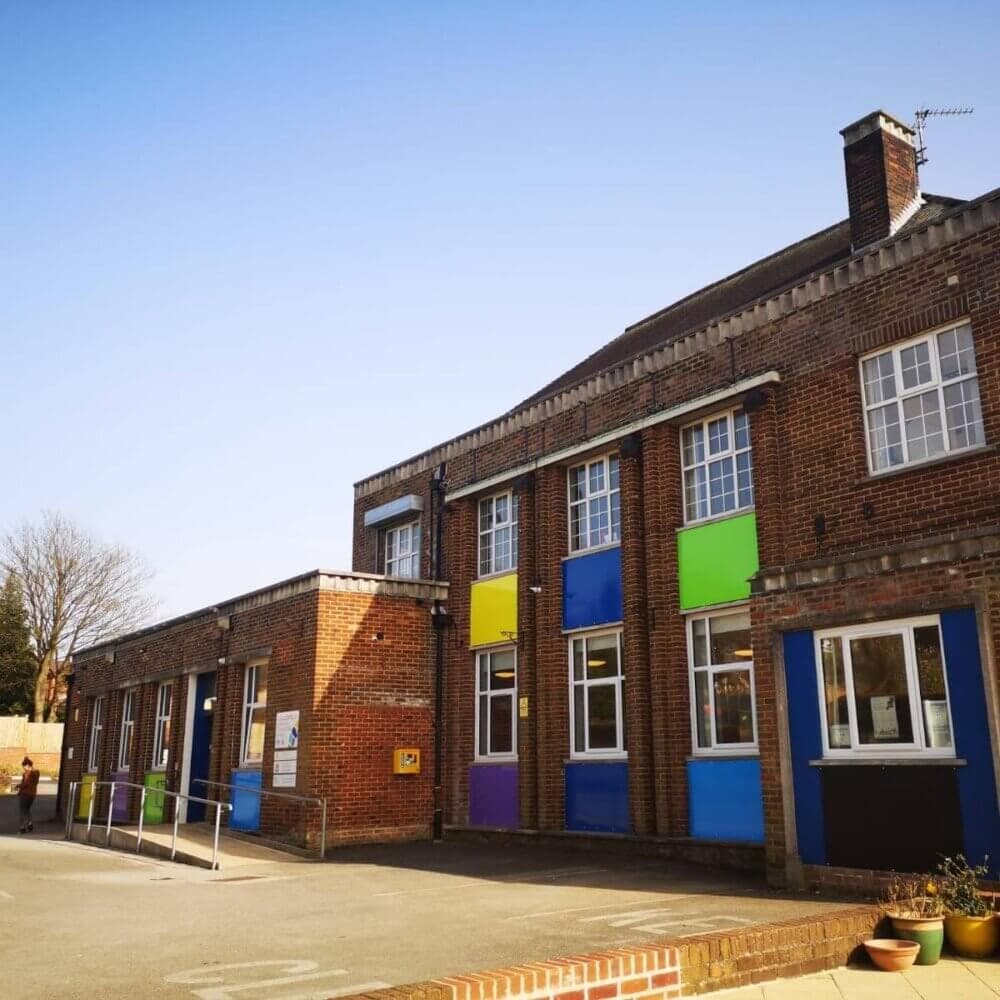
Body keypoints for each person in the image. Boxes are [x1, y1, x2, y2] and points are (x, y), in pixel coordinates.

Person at [17, 756, 40, 833]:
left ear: (27, 765)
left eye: (24, 766)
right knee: (27, 809)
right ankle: (30, 823)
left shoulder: (28, 773)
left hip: (25, 794)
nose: (24, 768)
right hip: (32, 794)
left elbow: (25, 783)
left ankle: (22, 827)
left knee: (22, 810)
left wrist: (19, 786)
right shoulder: (37, 773)